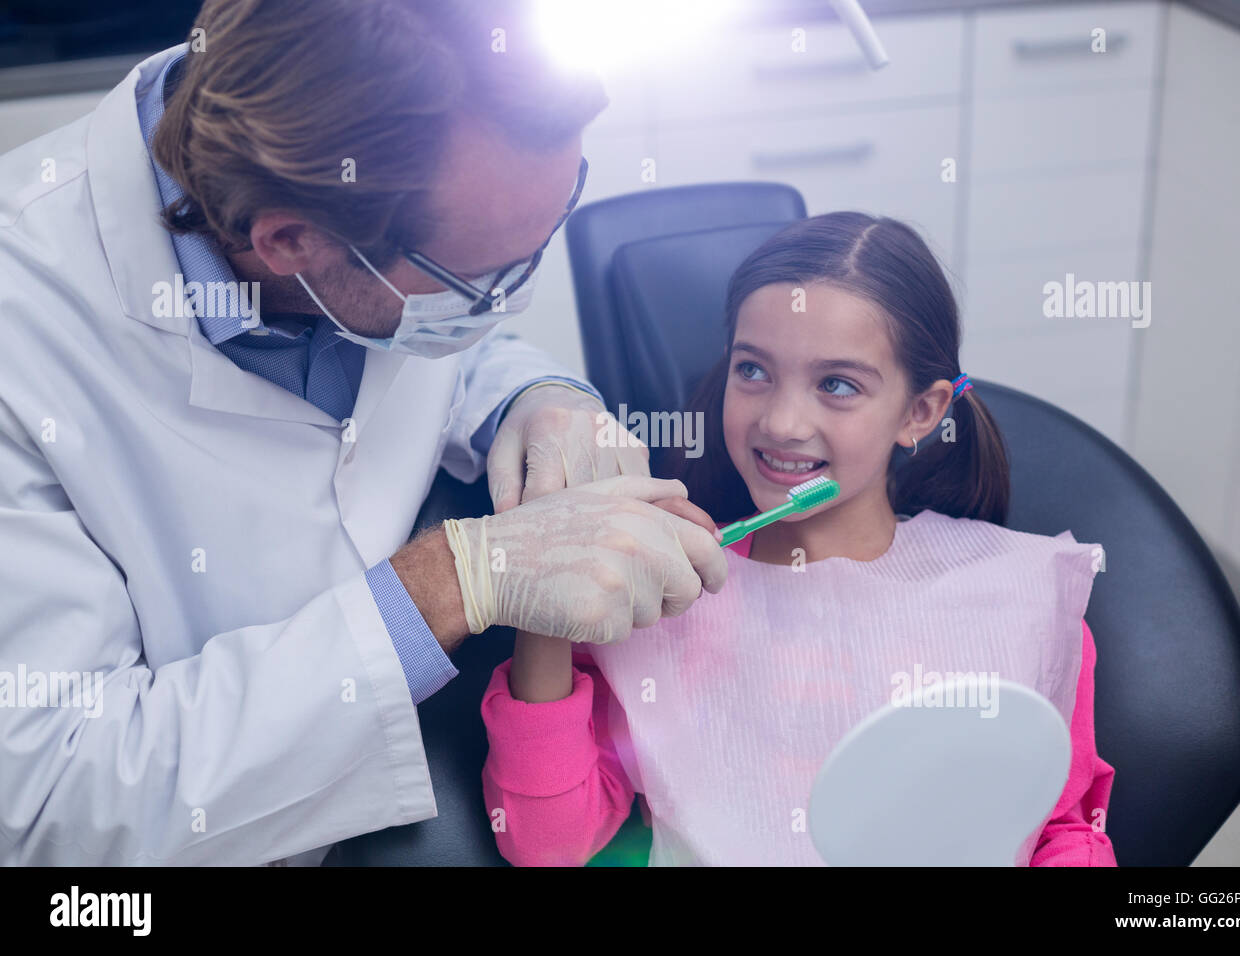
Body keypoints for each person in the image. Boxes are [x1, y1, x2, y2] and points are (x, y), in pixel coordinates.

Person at [0, 0, 724, 865]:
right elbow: (53, 800)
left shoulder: (352, 175)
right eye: (487, 281)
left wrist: (539, 394)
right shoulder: (27, 329)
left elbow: (443, 345)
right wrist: (455, 581)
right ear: (288, 242)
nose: (511, 298)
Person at [480, 212, 1119, 866]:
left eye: (837, 385)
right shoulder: (655, 602)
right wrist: (546, 610)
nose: (783, 421)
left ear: (920, 412)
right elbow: (546, 845)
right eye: (753, 371)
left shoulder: (1016, 601)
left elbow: (1061, 830)